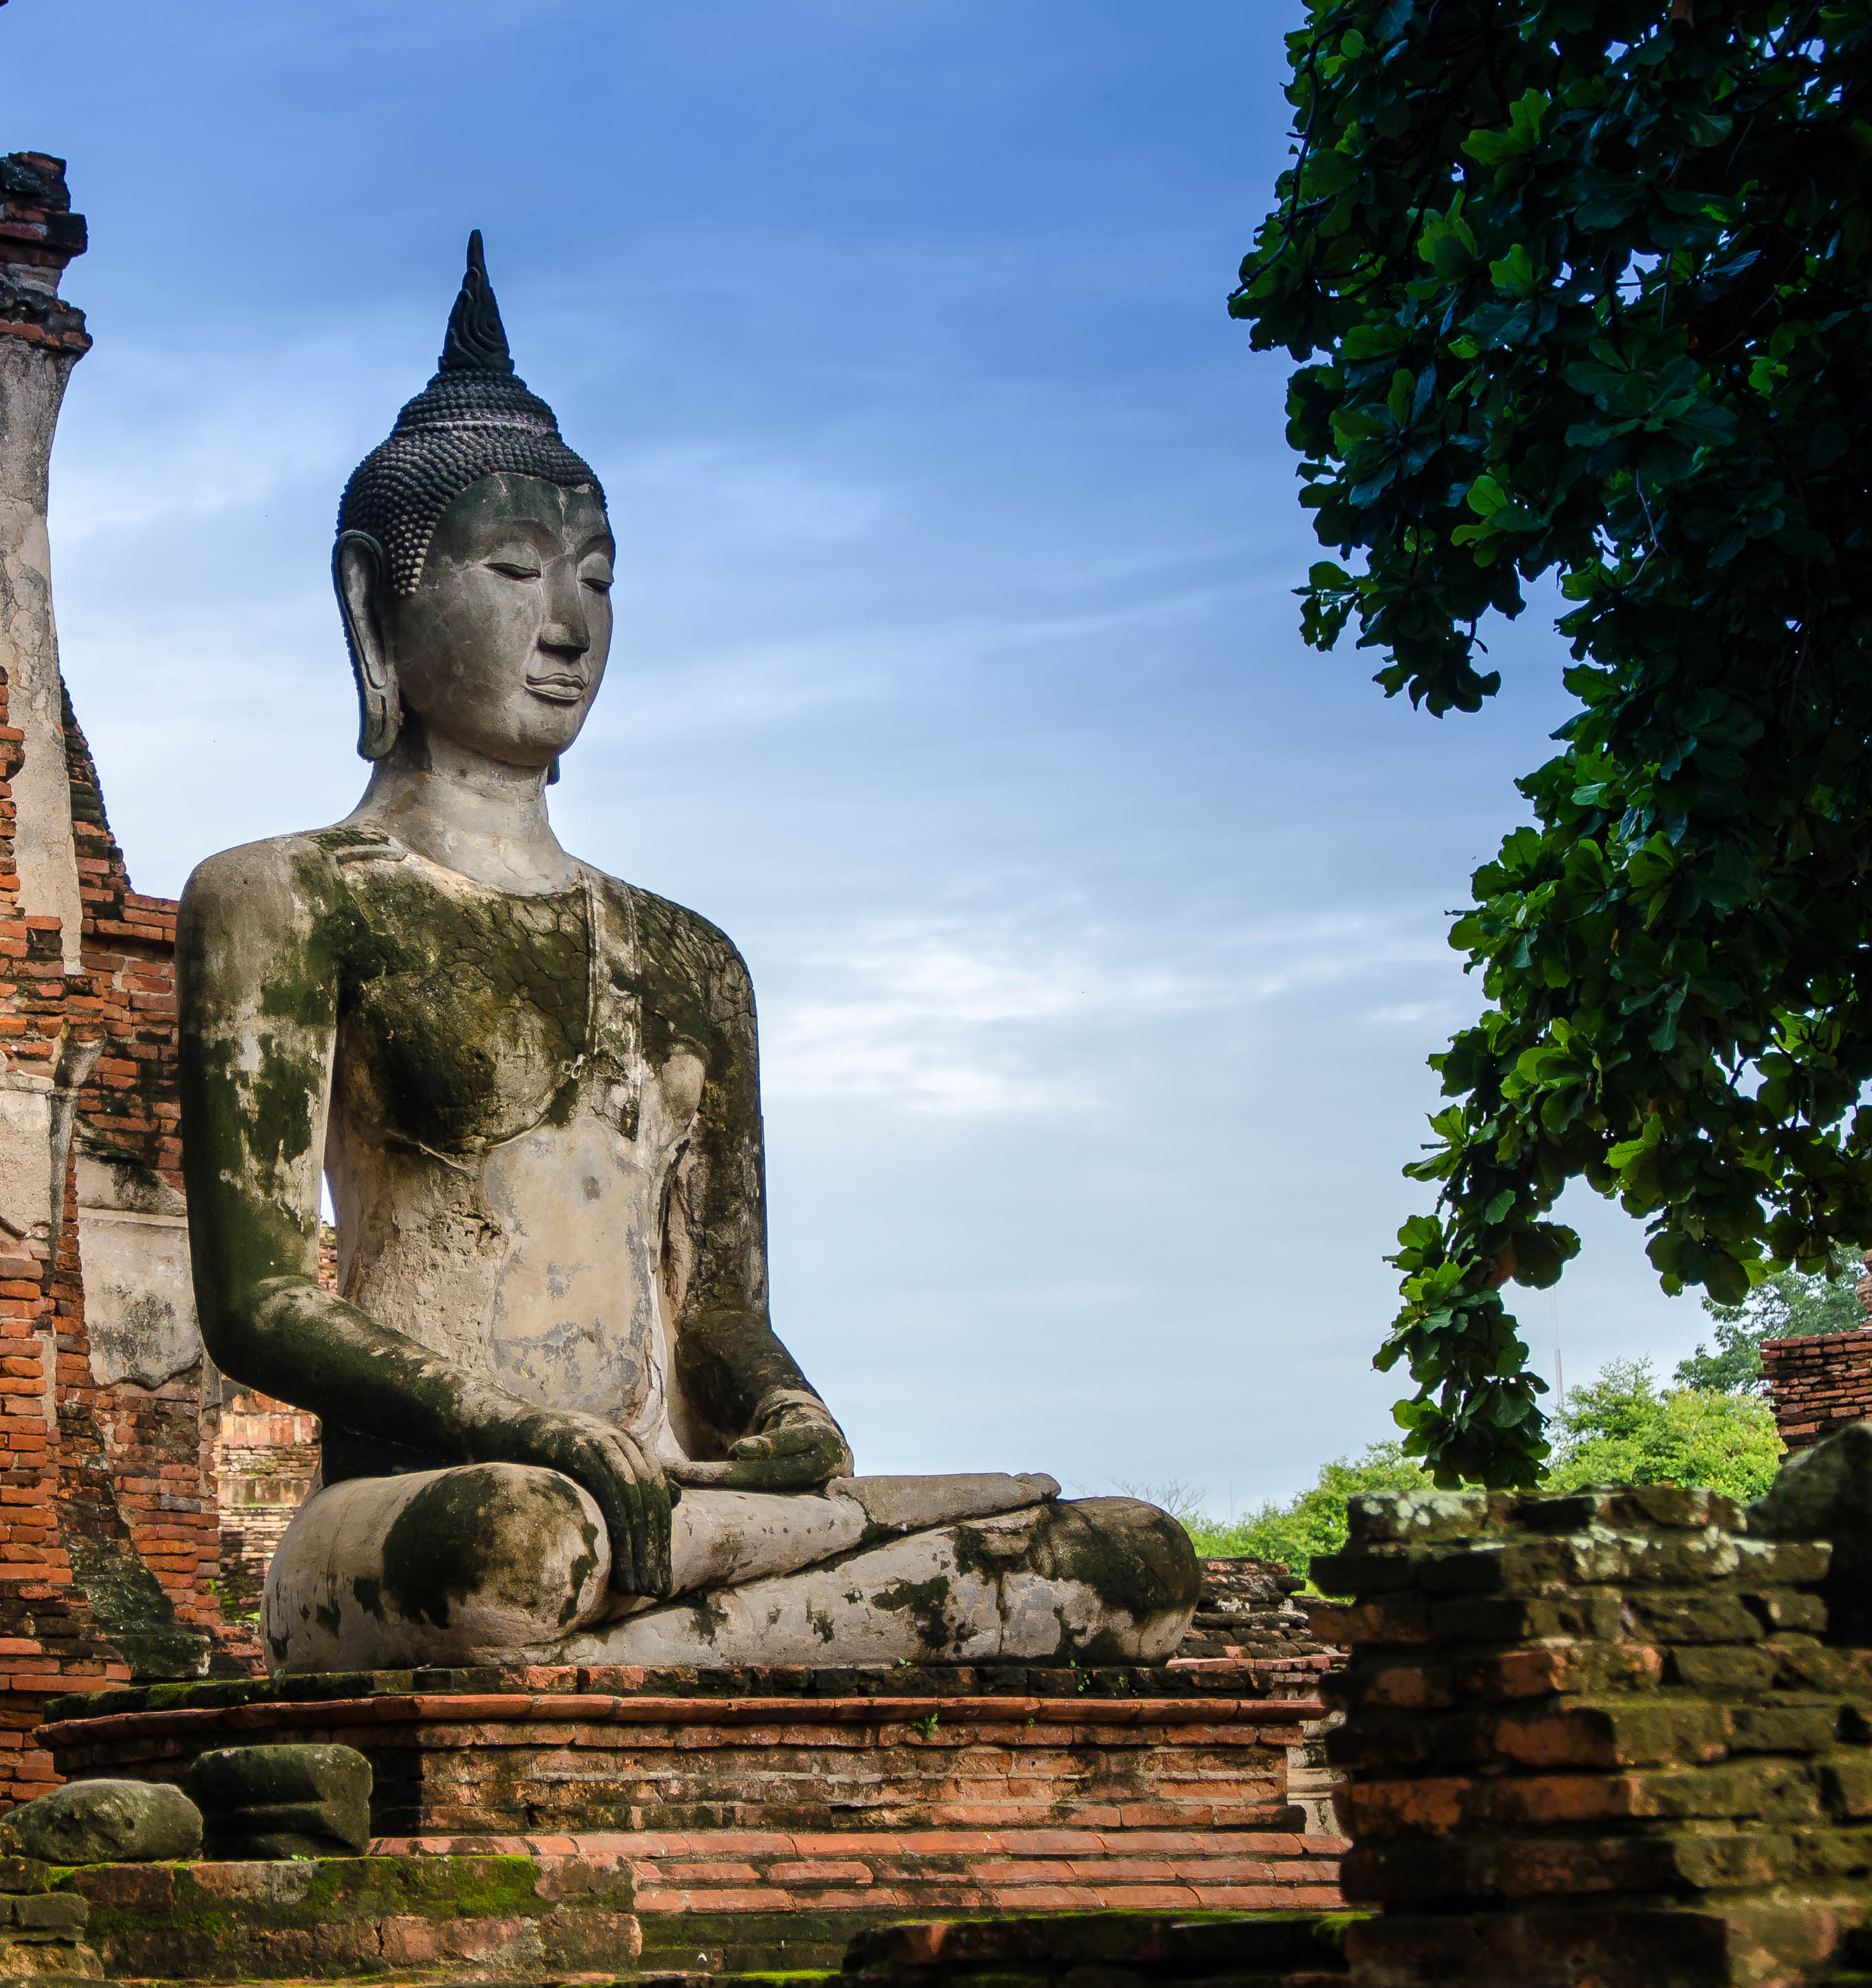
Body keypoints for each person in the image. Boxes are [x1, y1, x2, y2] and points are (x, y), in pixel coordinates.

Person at [175, 236, 1197, 1671]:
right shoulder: (283, 896)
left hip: (679, 1502)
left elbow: (719, 1317)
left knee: (1128, 1558)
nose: (569, 623)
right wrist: (519, 1429)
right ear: (373, 604)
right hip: (433, 1510)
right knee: (518, 1550)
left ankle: (663, 1654)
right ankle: (730, 1643)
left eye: (598, 576)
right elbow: (261, 1301)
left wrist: (792, 1425)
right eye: (516, 568)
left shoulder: (689, 960)